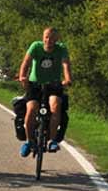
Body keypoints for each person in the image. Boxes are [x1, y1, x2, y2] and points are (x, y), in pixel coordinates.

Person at [18, 27, 72, 156]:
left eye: (52, 38)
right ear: (43, 37)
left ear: (57, 39)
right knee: (31, 108)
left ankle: (52, 141)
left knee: (55, 105)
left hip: (54, 84)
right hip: (35, 83)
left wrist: (67, 78)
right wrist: (22, 76)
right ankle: (29, 141)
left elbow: (65, 64)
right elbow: (26, 62)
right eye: (47, 37)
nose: (49, 40)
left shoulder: (61, 48)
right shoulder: (36, 46)